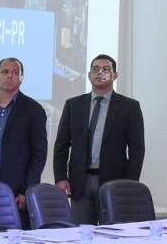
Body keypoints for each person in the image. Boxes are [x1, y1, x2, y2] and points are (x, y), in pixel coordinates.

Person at [53, 54, 145, 224]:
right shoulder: (73, 105)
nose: (100, 72)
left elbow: (137, 151)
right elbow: (61, 146)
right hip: (80, 183)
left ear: (115, 75)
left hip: (114, 183)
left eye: (105, 69)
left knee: (112, 232)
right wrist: (61, 178)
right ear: (89, 75)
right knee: (81, 233)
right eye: (95, 69)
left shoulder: (130, 107)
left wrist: (129, 184)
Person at [0, 58, 48, 229]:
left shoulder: (33, 110)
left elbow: (39, 154)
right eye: (5, 72)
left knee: (14, 233)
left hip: (16, 184)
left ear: (22, 78)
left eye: (15, 73)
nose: (9, 76)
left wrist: (27, 189)